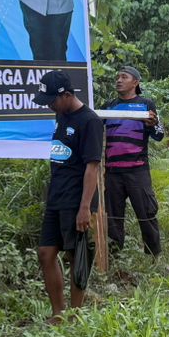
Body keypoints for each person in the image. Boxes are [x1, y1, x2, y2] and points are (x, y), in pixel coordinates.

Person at [34, 69, 103, 317]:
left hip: (77, 199)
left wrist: (85, 207)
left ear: (65, 95)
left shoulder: (90, 121)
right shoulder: (61, 116)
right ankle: (58, 313)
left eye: (52, 100)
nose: (49, 106)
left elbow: (92, 167)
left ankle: (74, 314)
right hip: (56, 196)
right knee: (46, 252)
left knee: (77, 256)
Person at [103, 65, 164, 258]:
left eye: (124, 77)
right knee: (113, 217)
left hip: (137, 170)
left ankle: (153, 256)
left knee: (146, 213)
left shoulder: (146, 104)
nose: (119, 80)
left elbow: (159, 135)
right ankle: (115, 256)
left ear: (135, 82)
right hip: (112, 172)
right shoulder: (109, 106)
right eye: (117, 77)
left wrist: (153, 125)